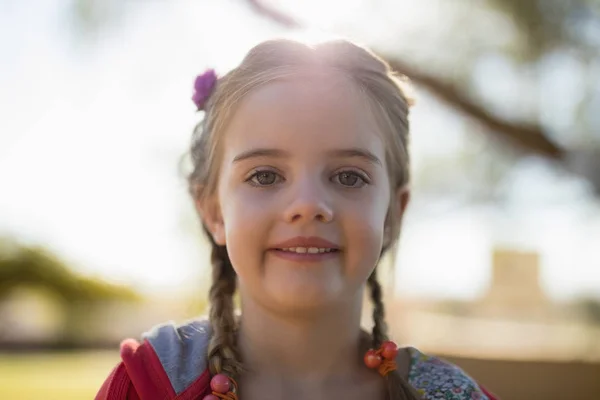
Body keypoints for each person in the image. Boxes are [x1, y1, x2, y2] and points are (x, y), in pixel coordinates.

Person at [95, 38, 499, 400]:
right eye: (264, 175)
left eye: (348, 176)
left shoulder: (454, 396)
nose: (307, 204)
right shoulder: (148, 386)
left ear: (394, 212)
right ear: (214, 211)